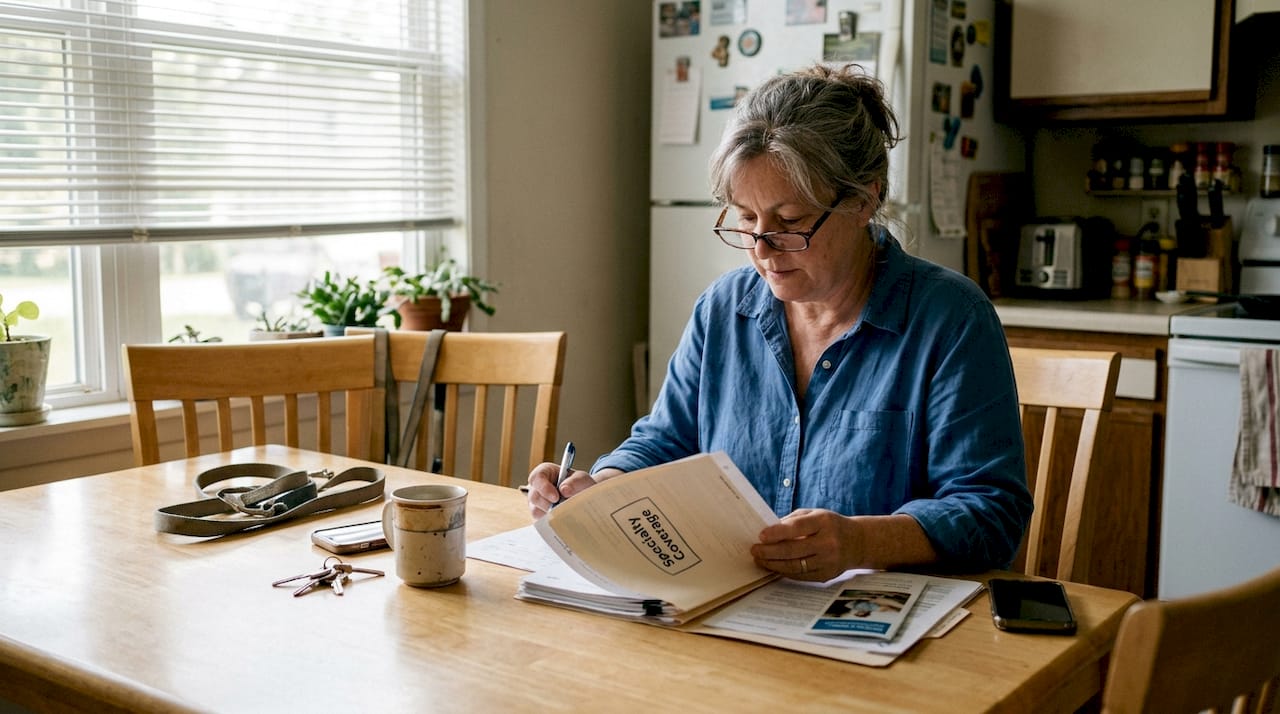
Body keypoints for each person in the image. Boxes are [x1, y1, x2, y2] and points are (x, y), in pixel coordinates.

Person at [527, 63, 1032, 581]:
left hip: (881, 625)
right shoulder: (723, 308)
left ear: (864, 199)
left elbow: (991, 513)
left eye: (789, 222)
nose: (761, 250)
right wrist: (598, 488)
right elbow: (665, 442)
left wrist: (861, 541)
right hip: (732, 607)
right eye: (746, 219)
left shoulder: (951, 320)